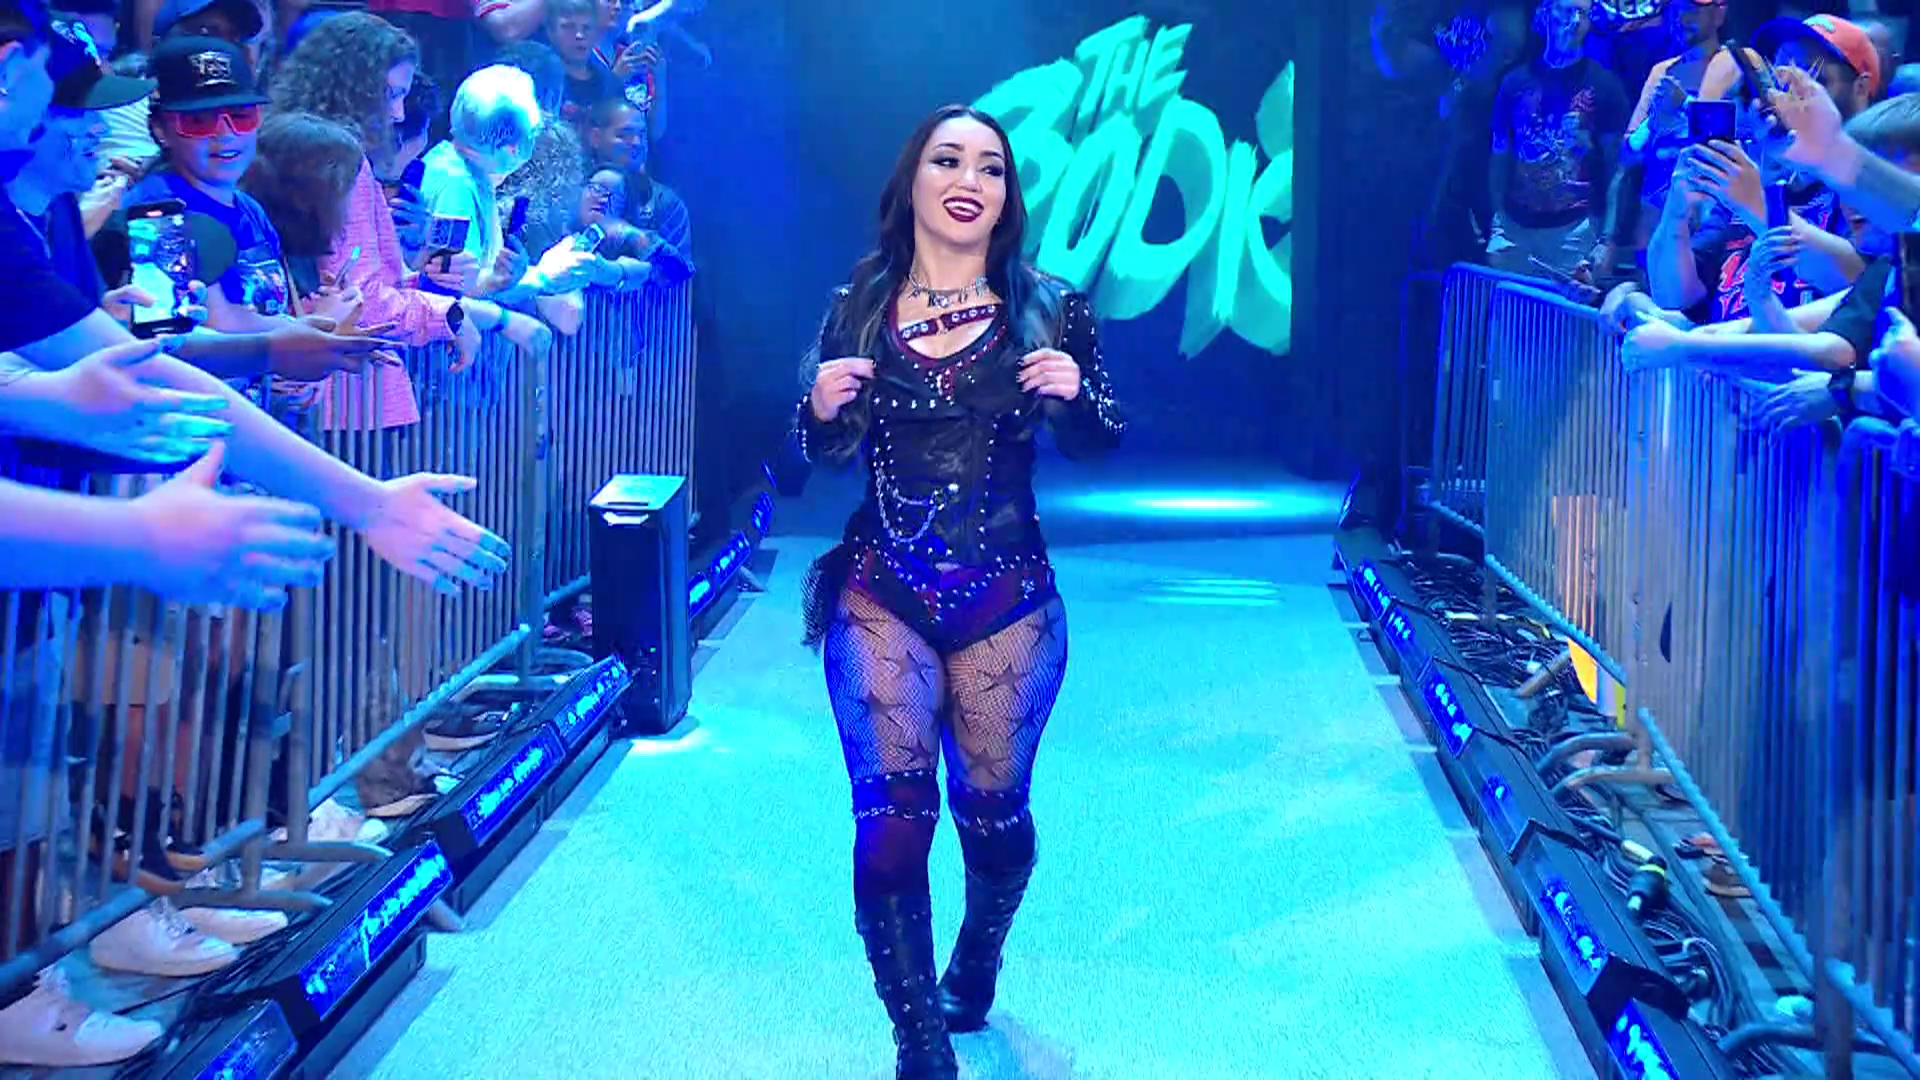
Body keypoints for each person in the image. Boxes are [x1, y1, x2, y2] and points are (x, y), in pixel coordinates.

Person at [791, 104, 1123, 1080]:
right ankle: (919, 1045)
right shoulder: (856, 303)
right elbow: (813, 457)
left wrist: (1077, 397)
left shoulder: (1053, 306)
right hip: (881, 593)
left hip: (1006, 598)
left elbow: (1102, 440)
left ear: (1007, 195)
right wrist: (815, 410)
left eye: (991, 166)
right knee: (890, 831)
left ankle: (977, 957)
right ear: (914, 183)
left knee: (993, 817)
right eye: (948, 160)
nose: (969, 179)